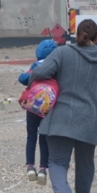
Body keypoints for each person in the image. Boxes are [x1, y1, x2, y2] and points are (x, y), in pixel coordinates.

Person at [29, 20, 97, 193]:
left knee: (58, 161)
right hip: (90, 119)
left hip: (60, 117)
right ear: (96, 38)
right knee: (85, 162)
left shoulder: (62, 53)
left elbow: (40, 73)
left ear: (75, 34)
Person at [19, 39, 58, 185]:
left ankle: (30, 166)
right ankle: (42, 169)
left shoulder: (35, 66)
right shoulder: (55, 66)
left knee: (31, 136)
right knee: (44, 138)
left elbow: (22, 78)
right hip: (47, 109)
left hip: (32, 107)